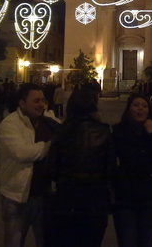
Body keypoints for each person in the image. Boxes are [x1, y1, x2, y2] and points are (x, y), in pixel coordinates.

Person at [46, 88, 116, 247]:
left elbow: (52, 169)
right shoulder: (104, 131)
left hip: (66, 200)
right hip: (95, 201)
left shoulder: (61, 132)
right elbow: (110, 169)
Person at [0, 83, 51, 247]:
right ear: (22, 103)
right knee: (14, 241)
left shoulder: (48, 122)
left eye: (42, 100)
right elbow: (21, 153)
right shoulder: (10, 124)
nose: (41, 104)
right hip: (17, 197)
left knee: (46, 240)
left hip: (43, 195)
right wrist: (48, 146)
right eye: (36, 101)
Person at [112, 94, 152, 247]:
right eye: (136, 105)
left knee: (145, 242)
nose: (140, 109)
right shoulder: (118, 131)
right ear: (129, 108)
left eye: (144, 106)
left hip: (149, 197)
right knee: (127, 241)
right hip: (125, 197)